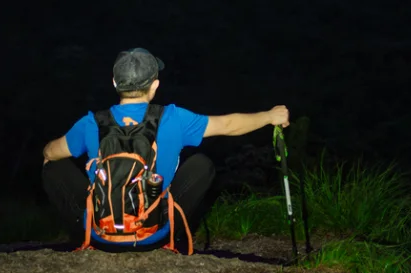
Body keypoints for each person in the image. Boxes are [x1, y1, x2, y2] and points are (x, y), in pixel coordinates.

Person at [41, 47, 290, 253]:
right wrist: (269, 116)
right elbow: (228, 124)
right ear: (155, 85)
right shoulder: (173, 118)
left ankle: (84, 234)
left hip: (102, 236)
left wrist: (48, 151)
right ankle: (172, 235)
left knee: (51, 166)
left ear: (115, 82)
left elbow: (51, 152)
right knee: (202, 164)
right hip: (154, 235)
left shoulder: (91, 123)